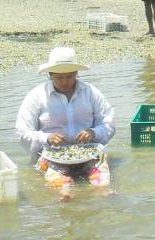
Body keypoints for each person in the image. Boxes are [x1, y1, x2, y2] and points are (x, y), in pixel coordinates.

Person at [16, 47, 116, 201]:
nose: (65, 82)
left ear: (76, 73)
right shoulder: (36, 96)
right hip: (51, 154)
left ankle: (102, 191)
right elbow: (22, 131)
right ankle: (65, 192)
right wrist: (46, 138)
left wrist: (93, 132)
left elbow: (109, 123)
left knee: (101, 171)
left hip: (87, 152)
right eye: (59, 77)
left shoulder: (90, 92)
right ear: (50, 75)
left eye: (69, 76)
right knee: (56, 177)